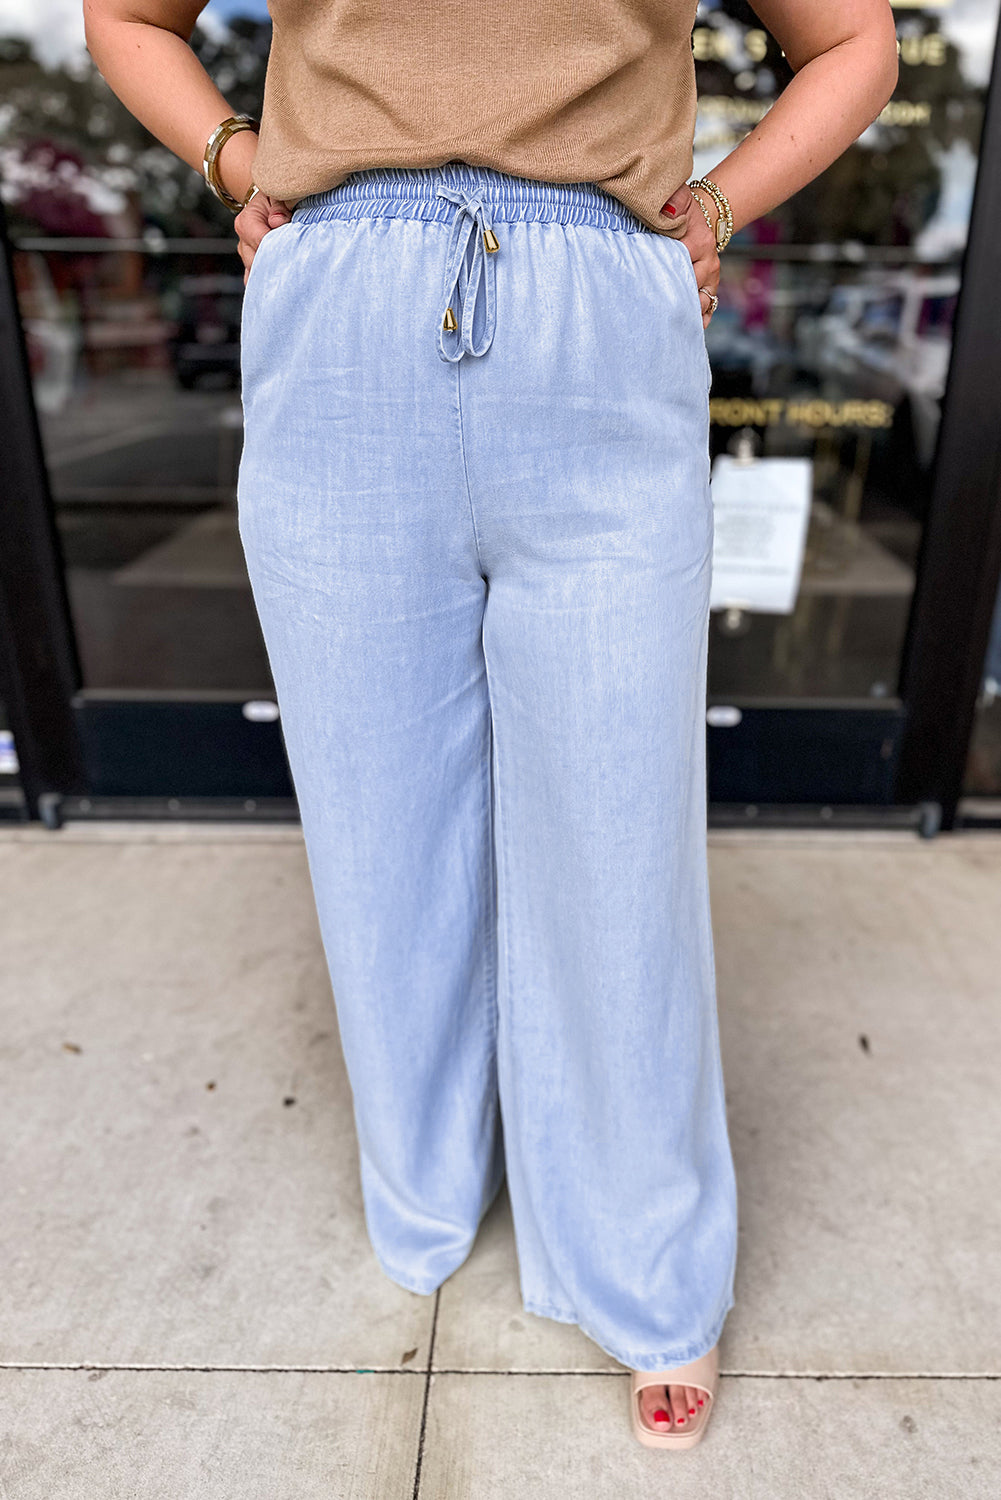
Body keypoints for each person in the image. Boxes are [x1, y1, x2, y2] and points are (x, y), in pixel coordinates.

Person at [84, 0, 899, 1448]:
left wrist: (716, 205)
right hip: (340, 309)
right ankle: (428, 1181)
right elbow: (124, 16)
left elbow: (854, 43)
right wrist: (235, 158)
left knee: (618, 833)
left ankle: (647, 1257)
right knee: (376, 814)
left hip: (599, 311)